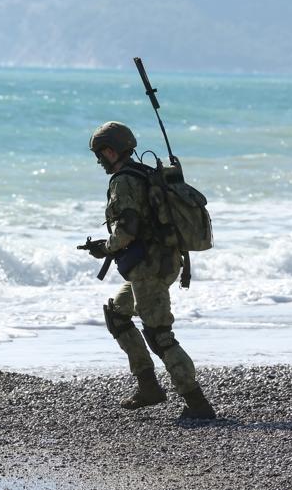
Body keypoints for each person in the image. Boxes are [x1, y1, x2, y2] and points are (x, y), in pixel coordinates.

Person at [86, 120, 216, 419]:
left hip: (148, 269)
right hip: (164, 262)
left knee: (160, 335)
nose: (99, 161)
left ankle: (197, 403)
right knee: (118, 314)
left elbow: (128, 228)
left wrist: (106, 248)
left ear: (110, 151)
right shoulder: (146, 173)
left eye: (99, 154)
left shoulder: (123, 181)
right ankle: (148, 387)